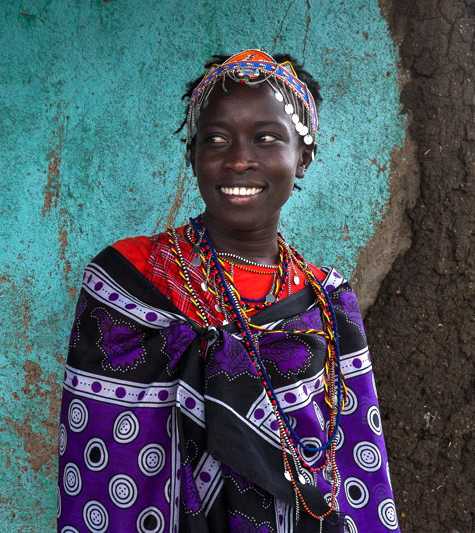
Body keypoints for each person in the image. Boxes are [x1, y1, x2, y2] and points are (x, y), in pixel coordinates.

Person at [56, 50, 398, 532]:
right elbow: (96, 463)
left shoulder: (325, 299)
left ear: (303, 158)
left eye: (266, 138)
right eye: (216, 139)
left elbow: (356, 464)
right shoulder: (129, 280)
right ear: (192, 153)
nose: (239, 159)